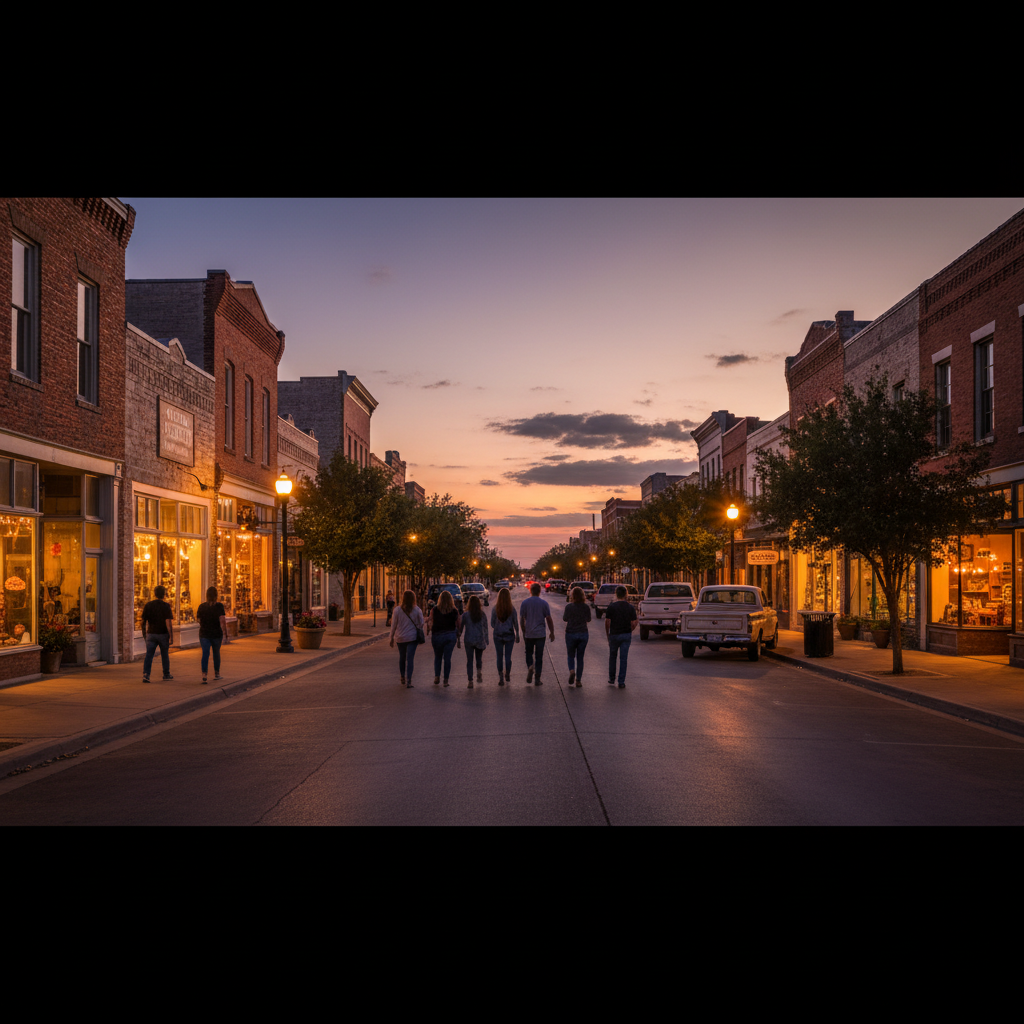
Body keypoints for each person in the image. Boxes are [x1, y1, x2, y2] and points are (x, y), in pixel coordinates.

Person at [520, 582, 554, 686]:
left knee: (528, 653)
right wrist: (552, 632)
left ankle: (530, 666)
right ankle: (537, 678)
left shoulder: (525, 603)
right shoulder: (544, 603)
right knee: (539, 656)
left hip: (529, 632)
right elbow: (548, 618)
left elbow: (522, 619)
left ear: (530, 591)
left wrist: (523, 630)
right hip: (540, 634)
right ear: (539, 591)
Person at [389, 590, 424, 688]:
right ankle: (409, 680)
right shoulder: (417, 610)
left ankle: (402, 676)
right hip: (412, 637)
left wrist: (391, 638)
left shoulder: (397, 610)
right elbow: (421, 623)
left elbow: (393, 625)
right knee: (410, 659)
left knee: (402, 657)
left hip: (400, 637)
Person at [605, 585, 638, 688]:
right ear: (626, 594)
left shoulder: (611, 606)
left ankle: (611, 678)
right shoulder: (630, 607)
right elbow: (635, 622)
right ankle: (621, 681)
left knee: (613, 657)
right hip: (626, 635)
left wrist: (608, 635)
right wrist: (630, 629)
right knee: (623, 659)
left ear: (616, 594)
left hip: (614, 634)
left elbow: (607, 622)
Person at [141, 584, 174, 683]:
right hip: (163, 633)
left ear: (155, 594)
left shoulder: (148, 605)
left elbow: (143, 622)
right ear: (164, 594)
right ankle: (166, 674)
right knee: (164, 655)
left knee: (149, 655)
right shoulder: (166, 606)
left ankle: (146, 674)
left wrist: (144, 634)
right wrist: (171, 636)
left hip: (151, 633)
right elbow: (168, 622)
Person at [196, 586, 228, 684]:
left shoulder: (202, 607)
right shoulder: (219, 606)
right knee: (216, 653)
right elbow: (222, 620)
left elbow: (198, 619)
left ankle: (204, 674)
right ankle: (217, 673)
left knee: (205, 653)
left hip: (204, 633)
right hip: (216, 633)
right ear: (216, 596)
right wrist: (225, 633)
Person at [458, 594, 489, 687]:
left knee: (469, 661)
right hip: (479, 639)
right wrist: (486, 640)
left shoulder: (466, 615)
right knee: (478, 659)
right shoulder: (482, 614)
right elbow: (485, 628)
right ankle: (479, 671)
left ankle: (470, 681)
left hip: (469, 640)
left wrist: (458, 638)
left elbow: (460, 627)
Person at [563, 586, 592, 687]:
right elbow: (588, 619)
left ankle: (571, 670)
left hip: (571, 633)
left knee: (571, 655)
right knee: (580, 657)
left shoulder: (569, 607)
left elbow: (565, 619)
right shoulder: (586, 607)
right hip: (583, 633)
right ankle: (578, 680)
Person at [429, 589, 459, 687]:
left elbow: (431, 622)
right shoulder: (454, 611)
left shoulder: (434, 610)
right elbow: (458, 624)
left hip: (437, 635)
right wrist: (458, 634)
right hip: (450, 636)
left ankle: (437, 676)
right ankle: (445, 680)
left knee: (437, 657)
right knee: (447, 658)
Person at [490, 587, 520, 684]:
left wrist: (498, 626)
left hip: (498, 635)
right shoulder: (512, 609)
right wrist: (518, 634)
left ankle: (501, 677)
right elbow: (515, 622)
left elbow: (492, 624)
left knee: (499, 656)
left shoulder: (495, 609)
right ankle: (507, 673)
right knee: (508, 656)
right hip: (509, 635)